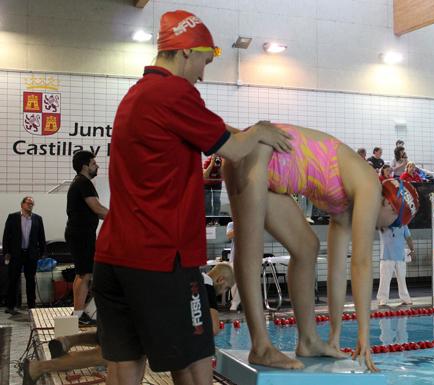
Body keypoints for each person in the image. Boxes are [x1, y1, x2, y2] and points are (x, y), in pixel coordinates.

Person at [92, 10, 293, 385]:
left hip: (113, 256)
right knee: (195, 360)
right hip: (161, 256)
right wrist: (262, 130)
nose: (203, 73)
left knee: (124, 362)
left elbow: (207, 131)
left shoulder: (135, 95)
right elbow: (233, 149)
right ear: (185, 52)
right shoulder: (174, 92)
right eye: (203, 61)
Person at [222, 123, 420, 372]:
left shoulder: (345, 208)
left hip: (268, 170)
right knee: (250, 245)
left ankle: (309, 341)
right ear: (392, 207)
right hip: (257, 152)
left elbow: (339, 271)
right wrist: (364, 336)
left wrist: (335, 335)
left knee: (307, 247)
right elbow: (361, 264)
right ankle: (261, 346)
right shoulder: (370, 184)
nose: (386, 229)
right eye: (392, 224)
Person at [21, 263, 235, 385]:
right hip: (150, 292)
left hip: (114, 271)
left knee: (113, 349)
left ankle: (68, 340)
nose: (224, 295)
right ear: (221, 281)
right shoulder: (204, 282)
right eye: (226, 291)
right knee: (115, 356)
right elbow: (213, 327)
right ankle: (41, 366)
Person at [65, 151, 108, 325]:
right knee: (86, 275)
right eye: (93, 163)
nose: (97, 166)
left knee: (82, 273)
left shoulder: (80, 182)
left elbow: (97, 212)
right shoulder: (83, 182)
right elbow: (97, 209)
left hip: (79, 233)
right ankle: (78, 315)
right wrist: (121, 218)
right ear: (85, 166)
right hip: (81, 234)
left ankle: (78, 313)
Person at [2, 197, 46, 315]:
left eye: (32, 204)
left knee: (30, 280)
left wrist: (42, 253)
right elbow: (6, 236)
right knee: (13, 280)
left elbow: (41, 237)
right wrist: (6, 253)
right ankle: (11, 306)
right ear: (22, 204)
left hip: (31, 254)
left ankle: (31, 305)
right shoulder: (13, 217)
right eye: (28, 203)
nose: (30, 205)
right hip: (16, 254)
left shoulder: (37, 219)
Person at [376, 225, 415, 307]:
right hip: (386, 256)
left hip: (400, 256)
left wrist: (412, 250)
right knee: (384, 280)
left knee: (402, 279)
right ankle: (382, 299)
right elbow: (376, 225)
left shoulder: (403, 224)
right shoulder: (383, 223)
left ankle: (405, 299)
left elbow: (408, 237)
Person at [225, 221, 241, 311]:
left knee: (242, 281)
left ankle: (235, 302)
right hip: (234, 257)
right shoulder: (231, 224)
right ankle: (235, 301)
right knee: (234, 283)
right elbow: (229, 236)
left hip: (247, 257)